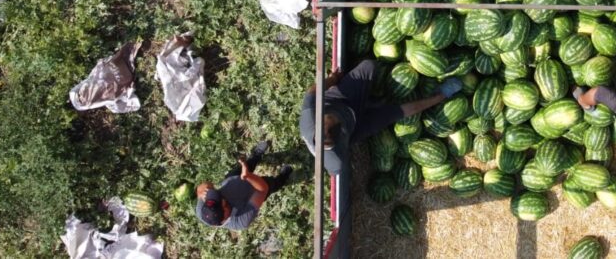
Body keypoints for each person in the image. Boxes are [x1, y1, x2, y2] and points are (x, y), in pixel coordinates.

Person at [300, 59, 463, 176]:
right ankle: (373, 104)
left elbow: (312, 91)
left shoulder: (309, 115)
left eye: (329, 118)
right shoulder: (336, 161)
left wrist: (334, 78)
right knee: (394, 113)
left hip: (340, 98)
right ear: (338, 138)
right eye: (336, 125)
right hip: (357, 127)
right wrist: (440, 97)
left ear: (320, 118)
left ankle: (369, 101)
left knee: (369, 66)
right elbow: (335, 172)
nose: (333, 120)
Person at [195, 141, 292, 230]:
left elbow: (203, 186)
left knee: (247, 165)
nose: (217, 195)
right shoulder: (240, 221)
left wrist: (204, 189)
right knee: (273, 184)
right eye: (220, 199)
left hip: (232, 181)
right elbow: (263, 190)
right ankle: (283, 177)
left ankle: (256, 156)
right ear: (225, 212)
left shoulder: (201, 211)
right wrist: (248, 177)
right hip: (255, 189)